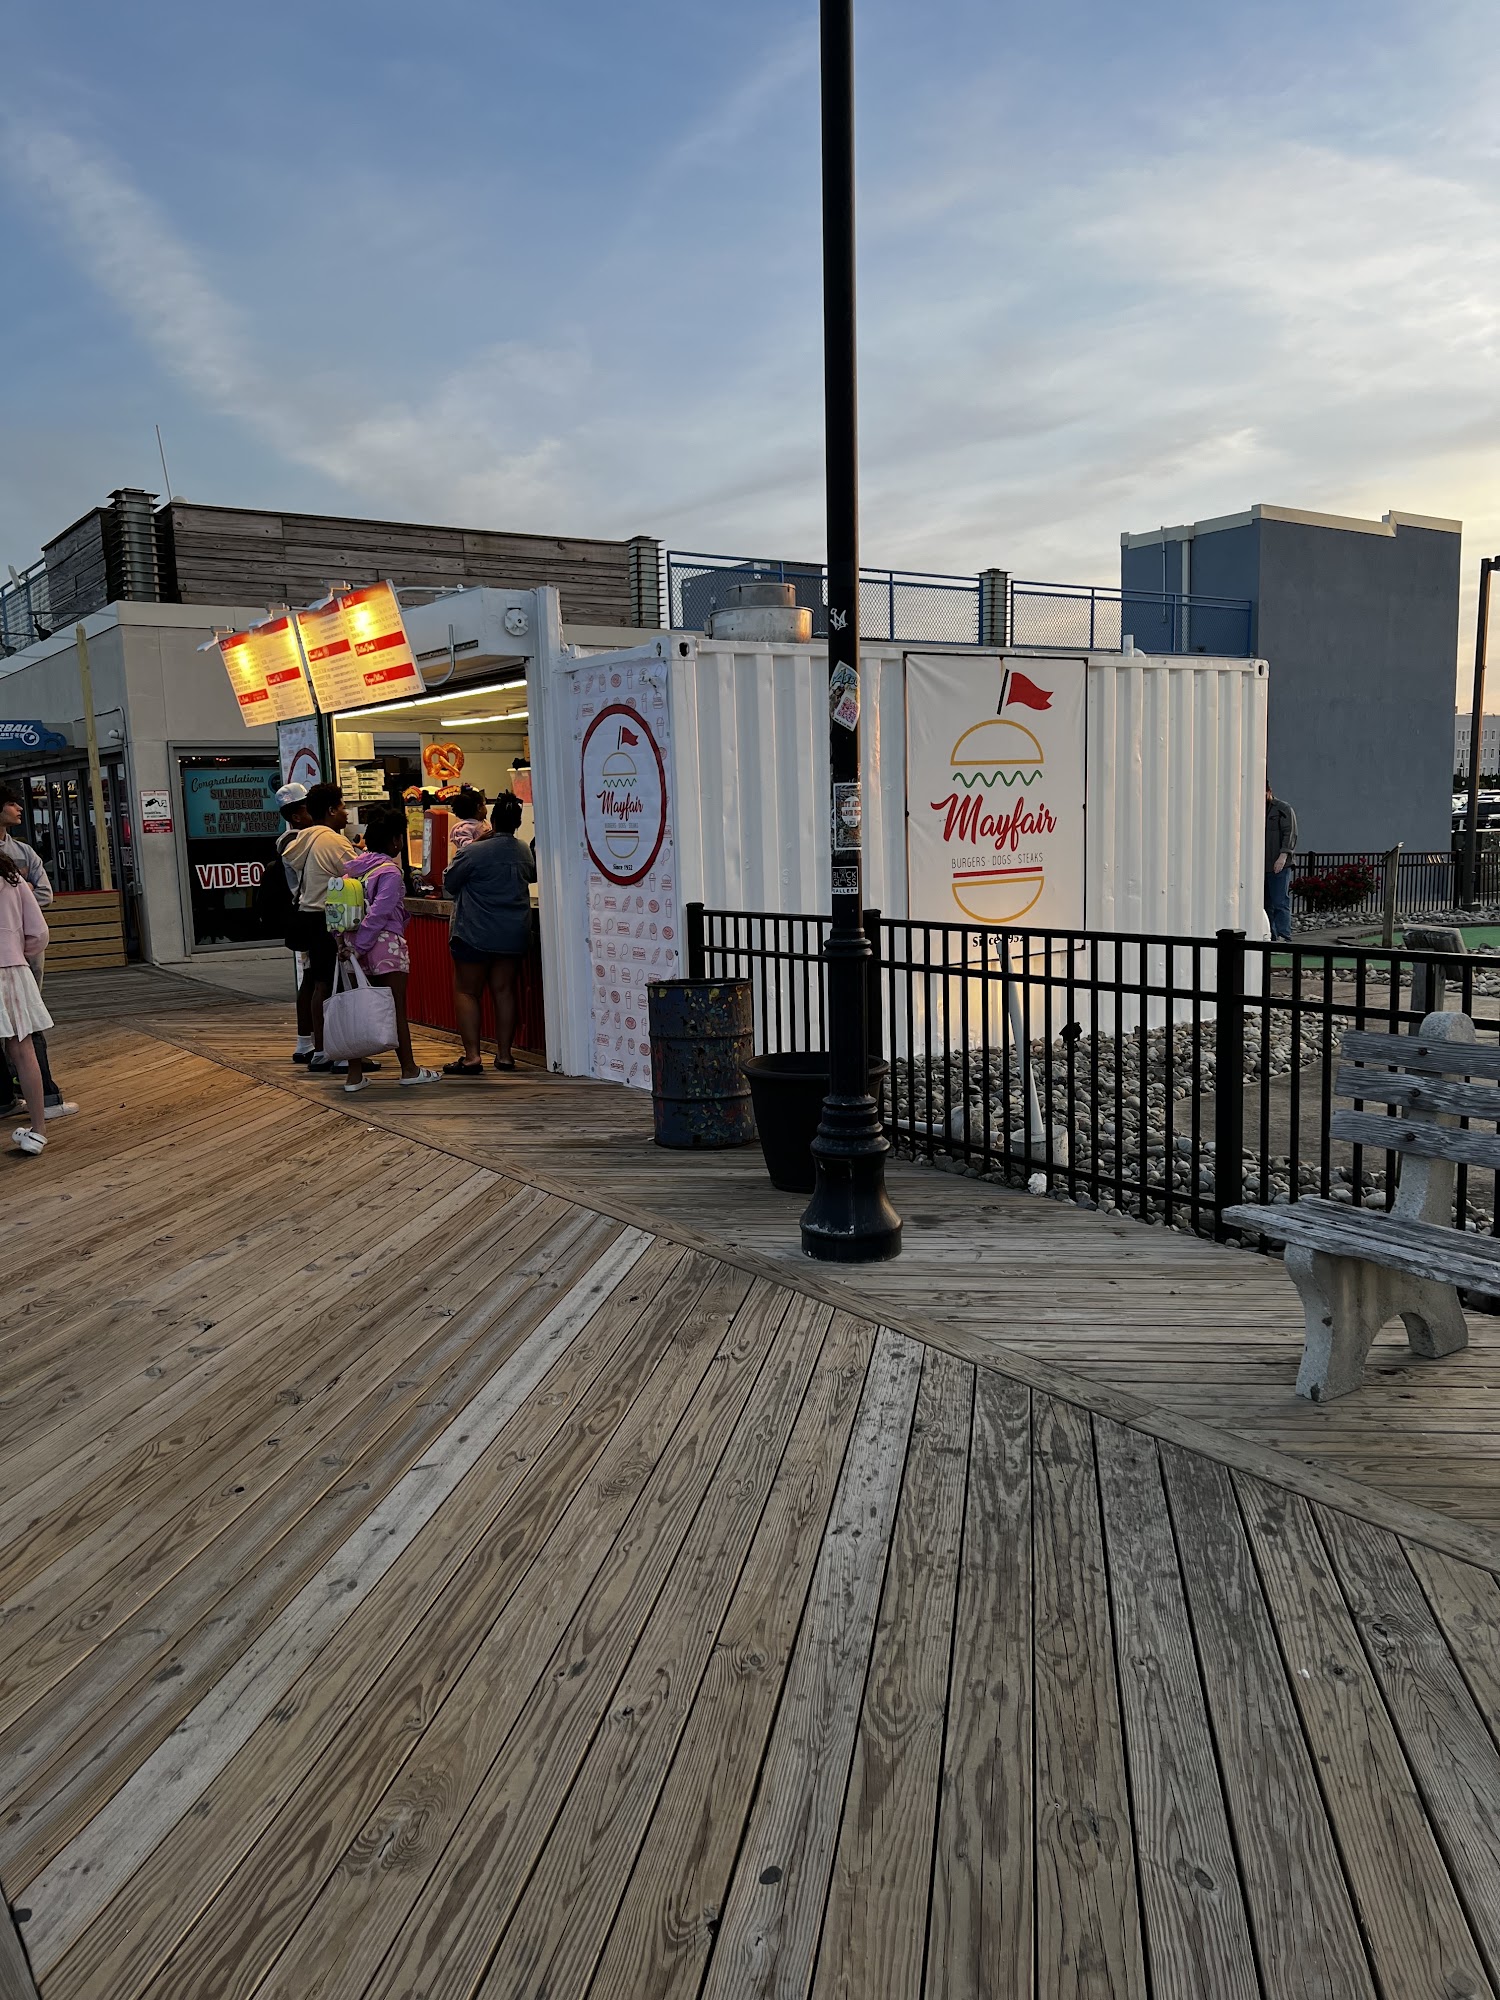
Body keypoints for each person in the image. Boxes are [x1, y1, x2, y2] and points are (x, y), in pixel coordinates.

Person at [335, 803, 442, 1093]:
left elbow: (336, 911)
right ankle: (409, 1069)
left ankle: (354, 1076)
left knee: (357, 1009)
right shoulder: (390, 874)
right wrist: (363, 945)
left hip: (351, 948)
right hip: (386, 949)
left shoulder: (353, 872)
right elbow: (380, 914)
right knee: (395, 1010)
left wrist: (349, 945)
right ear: (396, 840)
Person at [442, 791, 536, 1075]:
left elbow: (450, 884)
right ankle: (505, 1055)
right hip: (512, 932)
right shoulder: (522, 850)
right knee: (504, 991)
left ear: (492, 821)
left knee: (467, 991)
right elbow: (532, 875)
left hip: (474, 931)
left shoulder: (472, 852)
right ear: (518, 823)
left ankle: (472, 1057)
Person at [0, 783, 76, 1120]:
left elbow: (44, 894)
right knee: (26, 1033)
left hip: (18, 957)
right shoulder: (15, 862)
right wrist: (22, 887)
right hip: (15, 961)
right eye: (12, 803)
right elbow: (38, 918)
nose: (19, 808)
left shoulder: (24, 851)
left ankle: (24, 1098)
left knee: (21, 1032)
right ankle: (42, 1103)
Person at [280, 783, 359, 1073]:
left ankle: (322, 1049)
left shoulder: (306, 838)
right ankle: (336, 1053)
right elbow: (362, 872)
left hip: (309, 916)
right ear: (329, 810)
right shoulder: (333, 841)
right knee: (334, 985)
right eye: (341, 807)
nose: (345, 813)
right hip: (330, 919)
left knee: (319, 982)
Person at [0, 849, 55, 1155]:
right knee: (23, 1050)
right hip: (14, 970)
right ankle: (38, 1132)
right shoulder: (12, 878)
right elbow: (39, 932)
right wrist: (15, 950)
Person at [270, 782, 316, 1062]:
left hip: (300, 915)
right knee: (314, 978)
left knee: (311, 977)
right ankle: (310, 1044)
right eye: (308, 807)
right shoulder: (297, 841)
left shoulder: (292, 839)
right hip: (309, 915)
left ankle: (307, 1043)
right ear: (296, 815)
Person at [1265, 781, 1298, 944]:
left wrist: (1283, 856)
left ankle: (1284, 936)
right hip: (1262, 865)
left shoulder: (1283, 809)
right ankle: (1271, 935)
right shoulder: (1255, 809)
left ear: (1269, 791)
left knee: (1280, 901)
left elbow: (1290, 833)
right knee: (1266, 904)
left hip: (1279, 864)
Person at [447, 787, 490, 854]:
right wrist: (481, 839)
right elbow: (466, 847)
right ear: (479, 808)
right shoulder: (464, 828)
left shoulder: (484, 823)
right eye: (484, 804)